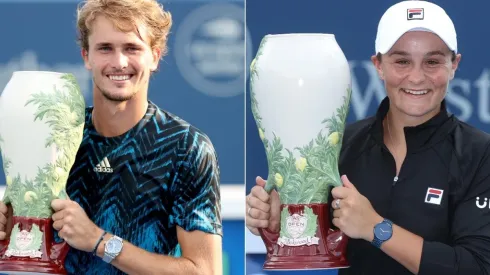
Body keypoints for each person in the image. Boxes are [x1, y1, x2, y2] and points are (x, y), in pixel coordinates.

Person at [246, 1, 490, 274]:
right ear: (378, 65)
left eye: (432, 62)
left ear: (454, 65)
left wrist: (376, 228)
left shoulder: (480, 154)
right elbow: (312, 238)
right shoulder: (339, 145)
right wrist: (281, 218)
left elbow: (477, 266)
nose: (417, 77)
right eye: (402, 61)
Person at [0, 0, 222, 274]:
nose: (119, 62)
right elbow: (29, 249)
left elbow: (204, 270)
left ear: (155, 55)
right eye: (105, 48)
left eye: (132, 48)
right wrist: (11, 230)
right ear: (86, 56)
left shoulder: (187, 148)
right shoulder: (55, 136)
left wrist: (99, 241)